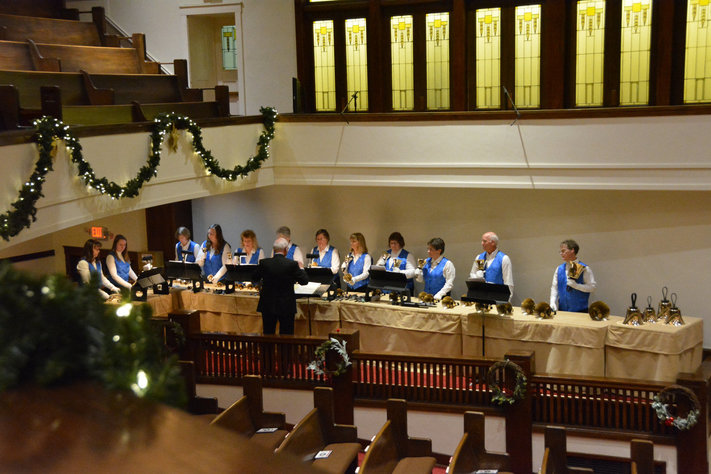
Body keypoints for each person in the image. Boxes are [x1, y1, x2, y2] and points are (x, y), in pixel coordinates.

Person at [254, 237, 309, 335]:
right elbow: (304, 281)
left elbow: (254, 278)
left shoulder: (264, 263)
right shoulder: (291, 264)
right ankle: (284, 351)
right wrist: (301, 268)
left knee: (268, 334)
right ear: (286, 250)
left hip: (267, 305)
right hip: (286, 306)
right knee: (286, 336)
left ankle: (268, 350)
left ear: (274, 250)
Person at [549, 239, 597, 313]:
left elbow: (592, 287)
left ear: (572, 250)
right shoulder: (559, 269)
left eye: (563, 251)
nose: (561, 254)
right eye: (560, 251)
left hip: (580, 311)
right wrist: (552, 302)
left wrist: (576, 286)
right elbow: (554, 288)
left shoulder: (585, 268)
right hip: (562, 310)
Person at [469, 231, 514, 300]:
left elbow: (508, 282)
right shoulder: (480, 258)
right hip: (481, 297)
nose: (482, 243)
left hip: (497, 297)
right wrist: (476, 277)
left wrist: (507, 301)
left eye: (484, 241)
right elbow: (472, 274)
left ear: (493, 243)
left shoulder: (503, 259)